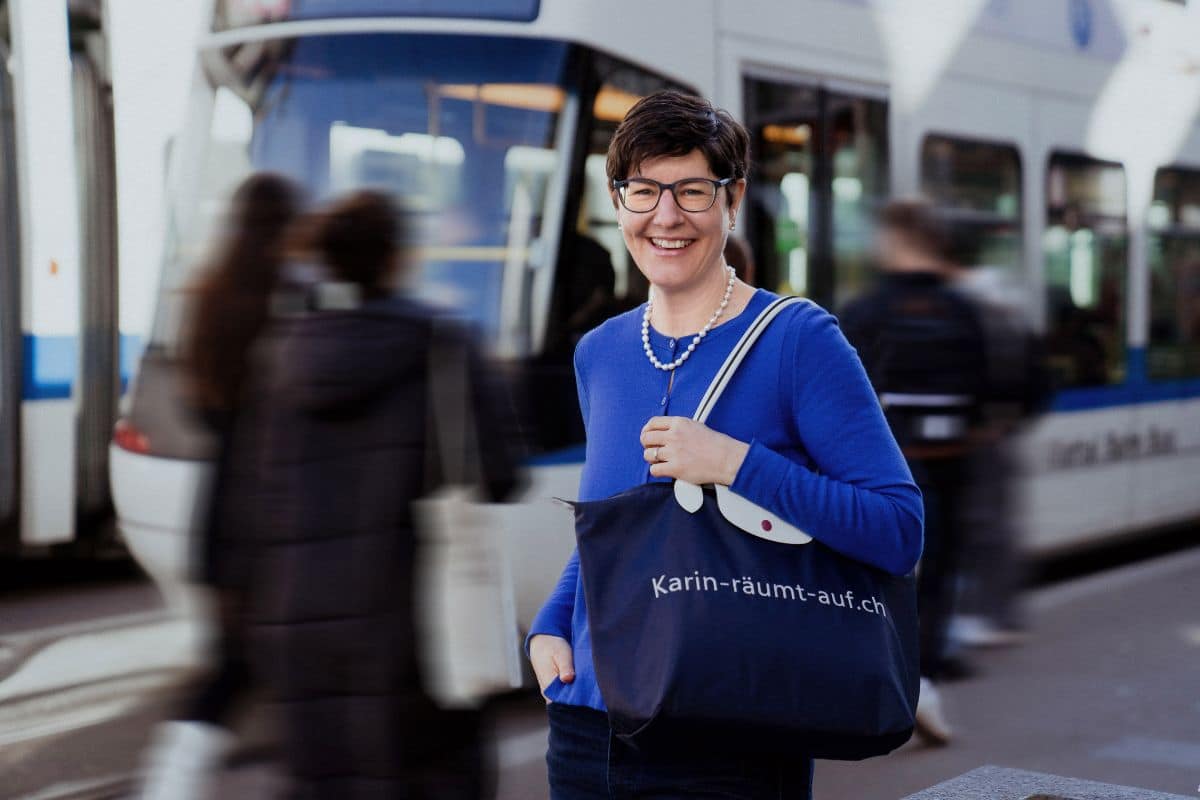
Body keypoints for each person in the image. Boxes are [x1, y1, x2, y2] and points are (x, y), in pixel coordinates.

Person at [528, 91, 923, 799]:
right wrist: (551, 626)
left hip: (731, 729)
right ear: (618, 201)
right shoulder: (602, 353)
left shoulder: (799, 341)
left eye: (691, 190)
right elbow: (617, 525)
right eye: (643, 190)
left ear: (732, 198)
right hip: (587, 730)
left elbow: (898, 530)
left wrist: (736, 464)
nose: (666, 216)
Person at [234, 190, 522, 799]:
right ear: (396, 259)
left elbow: (255, 494)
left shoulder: (279, 354)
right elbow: (502, 473)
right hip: (415, 627)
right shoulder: (445, 344)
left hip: (299, 625)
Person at [138, 172, 304, 800]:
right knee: (265, 666)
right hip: (275, 511)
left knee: (238, 662)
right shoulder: (290, 302)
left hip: (223, 510)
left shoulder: (209, 296)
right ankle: (171, 783)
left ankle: (174, 778)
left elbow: (201, 408)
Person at [840, 200, 990, 745]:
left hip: (889, 462)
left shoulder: (867, 310)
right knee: (940, 572)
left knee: (878, 570)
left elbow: (842, 391)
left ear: (897, 241)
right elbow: (986, 386)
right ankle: (921, 679)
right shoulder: (960, 308)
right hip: (951, 461)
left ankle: (870, 677)